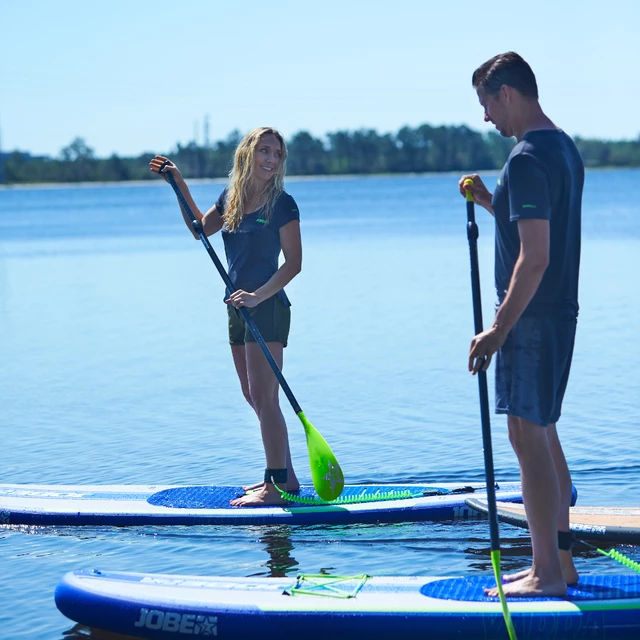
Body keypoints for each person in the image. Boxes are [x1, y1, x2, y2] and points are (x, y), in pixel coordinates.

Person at [458, 52, 584, 597]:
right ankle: (560, 562)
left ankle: (546, 576)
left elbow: (535, 258)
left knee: (526, 437)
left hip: (531, 319)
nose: (487, 117)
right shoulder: (562, 147)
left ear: (506, 93)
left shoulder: (527, 157)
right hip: (555, 313)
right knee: (545, 433)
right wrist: (492, 202)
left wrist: (499, 329)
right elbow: (536, 233)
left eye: (486, 103)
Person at [150, 127, 302, 507]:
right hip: (236, 307)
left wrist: (258, 295)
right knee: (253, 395)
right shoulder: (231, 198)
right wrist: (179, 182)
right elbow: (201, 230)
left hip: (266, 306)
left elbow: (294, 264)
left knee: (267, 398)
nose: (270, 159)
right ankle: (288, 478)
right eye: (264, 151)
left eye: (277, 154)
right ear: (247, 154)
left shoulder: (283, 204)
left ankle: (276, 485)